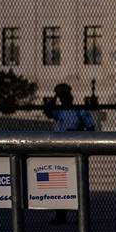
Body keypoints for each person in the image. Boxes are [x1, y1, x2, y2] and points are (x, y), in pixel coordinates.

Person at [43, 83, 96, 224]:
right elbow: (47, 111)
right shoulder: (59, 111)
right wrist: (55, 96)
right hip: (60, 151)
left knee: (77, 184)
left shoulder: (79, 111)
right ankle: (61, 216)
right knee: (60, 185)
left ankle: (81, 216)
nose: (63, 99)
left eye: (65, 95)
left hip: (74, 152)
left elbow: (91, 128)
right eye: (61, 96)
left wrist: (77, 134)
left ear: (71, 97)